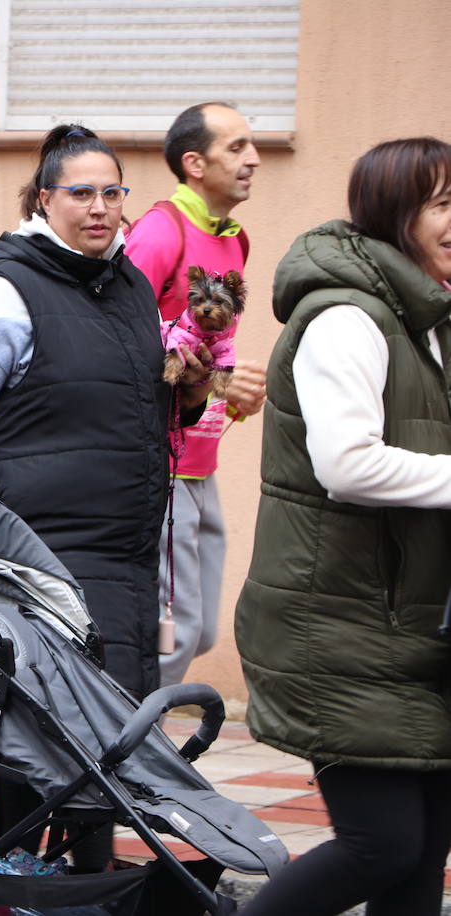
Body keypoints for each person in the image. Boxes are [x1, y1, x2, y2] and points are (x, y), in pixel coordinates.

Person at [0, 125, 208, 867]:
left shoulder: (131, 287)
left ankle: (86, 884)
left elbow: (132, 410)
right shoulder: (1, 294)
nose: (100, 207)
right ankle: (17, 878)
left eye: (113, 192)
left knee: (110, 746)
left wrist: (191, 393)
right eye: (81, 193)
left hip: (122, 561)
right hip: (31, 565)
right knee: (32, 738)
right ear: (44, 200)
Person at [235, 137, 451, 916]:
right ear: (396, 213)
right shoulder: (346, 318)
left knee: (422, 856)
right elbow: (348, 465)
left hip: (413, 626)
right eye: (443, 203)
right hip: (339, 625)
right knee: (380, 845)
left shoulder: (429, 319)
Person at [124, 102, 267, 686]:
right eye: (236, 147)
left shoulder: (236, 241)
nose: (253, 159)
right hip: (158, 464)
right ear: (195, 163)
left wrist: (234, 393)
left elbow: (214, 346)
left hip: (202, 462)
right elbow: (117, 337)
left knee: (201, 631)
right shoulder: (162, 232)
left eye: (251, 145)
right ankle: (128, 739)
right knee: (174, 633)